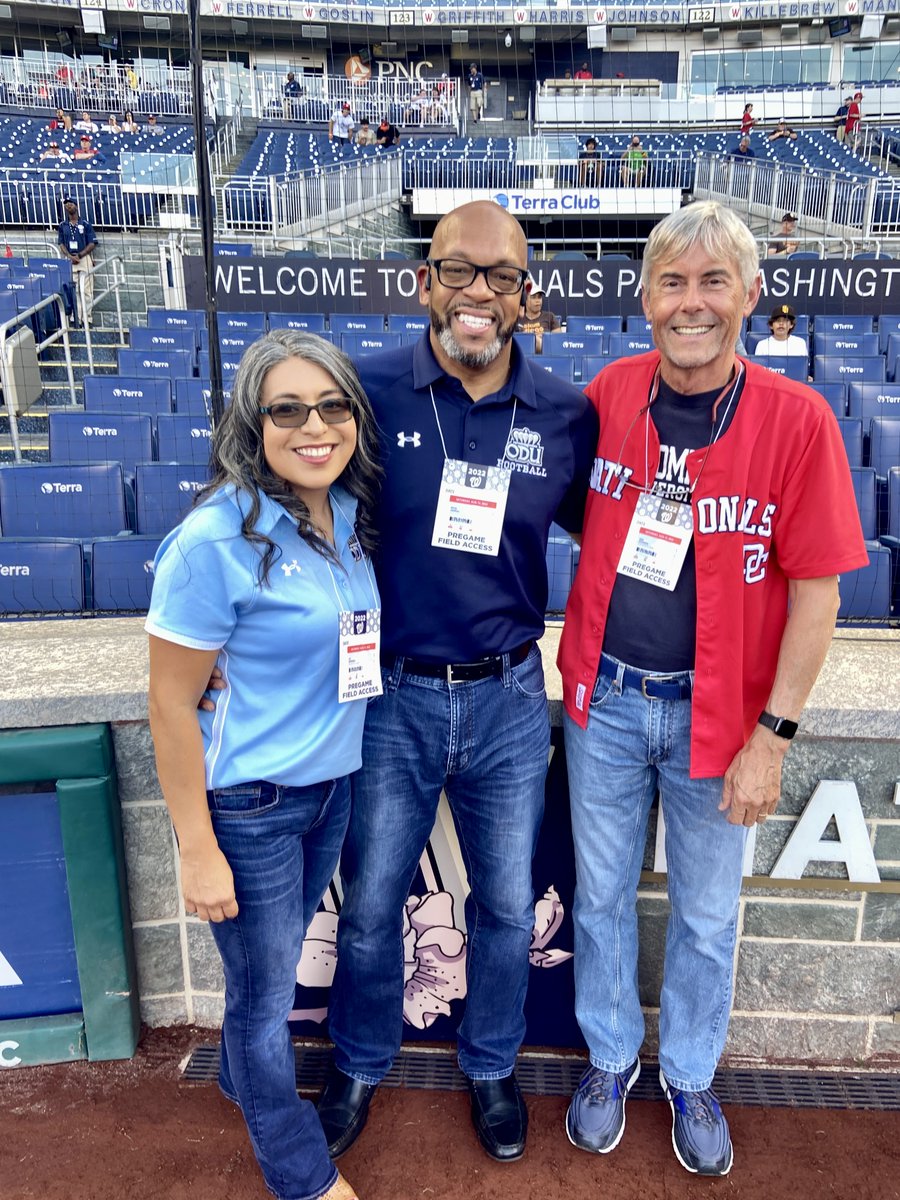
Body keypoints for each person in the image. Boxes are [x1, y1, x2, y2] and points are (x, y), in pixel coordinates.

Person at [558, 200, 867, 1178]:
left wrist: (772, 736)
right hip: (604, 699)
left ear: (750, 294)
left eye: (713, 281)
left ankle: (690, 1074)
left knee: (705, 914)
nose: (691, 303)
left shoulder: (798, 419)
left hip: (719, 715)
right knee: (600, 896)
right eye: (673, 282)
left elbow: (817, 595)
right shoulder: (609, 394)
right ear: (645, 298)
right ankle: (610, 1061)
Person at [312, 201, 597, 1166]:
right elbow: (288, 508)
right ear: (424, 281)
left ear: (527, 292)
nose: (480, 292)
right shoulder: (369, 390)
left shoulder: (565, 412)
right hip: (391, 694)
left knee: (509, 908)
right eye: (460, 271)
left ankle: (490, 1063)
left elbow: (609, 550)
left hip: (512, 696)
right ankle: (358, 1058)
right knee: (375, 898)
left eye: (502, 275)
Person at [149, 330, 382, 1200]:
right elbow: (170, 705)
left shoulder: (347, 512)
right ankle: (302, 1175)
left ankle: (244, 1081)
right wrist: (195, 845)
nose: (313, 425)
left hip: (330, 788)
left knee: (265, 981)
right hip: (249, 805)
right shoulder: (214, 540)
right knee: (260, 1002)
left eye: (332, 405)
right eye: (287, 408)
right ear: (253, 422)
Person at [57, 199, 97, 326]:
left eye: (71, 204)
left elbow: (92, 243)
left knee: (86, 290)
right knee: (74, 291)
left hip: (83, 258)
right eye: (66, 205)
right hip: (70, 260)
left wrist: (79, 255)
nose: (69, 206)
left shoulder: (85, 224)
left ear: (77, 206)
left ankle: (87, 318)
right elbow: (61, 243)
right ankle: (76, 318)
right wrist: (69, 256)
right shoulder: (63, 225)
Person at [516, 287, 562, 353]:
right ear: (525, 300)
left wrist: (542, 338)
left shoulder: (549, 316)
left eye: (539, 297)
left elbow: (558, 342)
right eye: (533, 297)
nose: (538, 301)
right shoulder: (518, 319)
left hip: (545, 355)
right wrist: (530, 337)